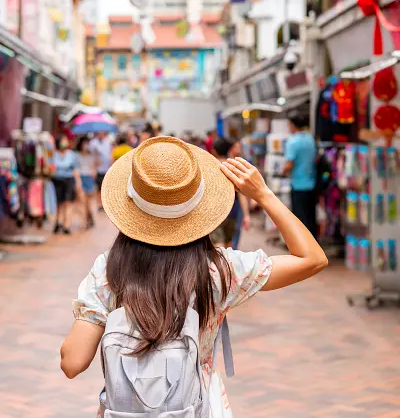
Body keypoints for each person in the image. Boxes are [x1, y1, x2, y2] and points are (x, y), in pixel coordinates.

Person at [60, 136, 327, 417]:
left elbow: (72, 362)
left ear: (131, 207)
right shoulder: (219, 270)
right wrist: (263, 194)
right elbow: (312, 259)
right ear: (198, 208)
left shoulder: (108, 271)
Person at [211, 137, 251, 248]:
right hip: (232, 210)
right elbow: (241, 194)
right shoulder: (233, 167)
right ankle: (230, 264)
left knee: (217, 244)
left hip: (215, 211)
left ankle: (220, 265)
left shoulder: (210, 167)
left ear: (214, 151)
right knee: (230, 244)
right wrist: (246, 215)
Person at [283, 113, 318, 238]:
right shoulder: (310, 139)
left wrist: (283, 172)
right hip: (312, 184)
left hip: (298, 185)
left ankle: (304, 248)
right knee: (311, 217)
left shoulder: (292, 142)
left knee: (300, 220)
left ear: (293, 125)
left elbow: (289, 164)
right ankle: (315, 244)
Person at [52, 134, 82, 235]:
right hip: (57, 180)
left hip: (69, 180)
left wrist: (78, 183)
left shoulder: (71, 154)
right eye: (62, 140)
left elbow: (75, 169)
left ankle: (66, 225)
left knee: (68, 202)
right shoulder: (54, 154)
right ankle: (58, 222)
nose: (64, 142)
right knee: (58, 203)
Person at [76, 137, 96, 229]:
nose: (86, 146)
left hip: (89, 179)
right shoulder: (77, 156)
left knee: (88, 203)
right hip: (81, 178)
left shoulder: (92, 156)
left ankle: (90, 216)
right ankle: (85, 221)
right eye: (84, 143)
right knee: (82, 201)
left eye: (87, 144)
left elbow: (94, 168)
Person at [90, 132, 112, 211]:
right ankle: (99, 204)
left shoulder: (108, 142)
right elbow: (91, 155)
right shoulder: (93, 143)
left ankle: (104, 204)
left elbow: (110, 154)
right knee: (98, 188)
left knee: (105, 188)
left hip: (106, 169)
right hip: (98, 169)